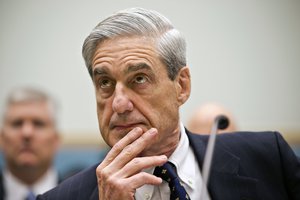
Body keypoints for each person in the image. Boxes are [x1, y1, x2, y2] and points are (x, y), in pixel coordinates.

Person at [37, 7, 300, 200]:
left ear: (181, 86)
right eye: (104, 82)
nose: (119, 104)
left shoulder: (268, 158)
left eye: (139, 79)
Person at [0, 87, 61, 200]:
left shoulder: (83, 194)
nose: (27, 133)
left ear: (55, 140)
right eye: (17, 124)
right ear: (2, 138)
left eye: (38, 124)